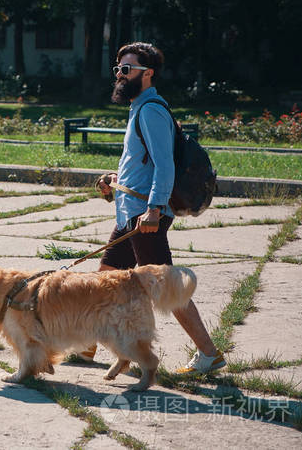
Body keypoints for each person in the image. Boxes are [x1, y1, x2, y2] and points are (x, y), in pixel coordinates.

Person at [78, 42, 226, 374]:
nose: (120, 75)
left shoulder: (151, 110)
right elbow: (144, 164)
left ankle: (209, 354)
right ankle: (87, 345)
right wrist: (115, 179)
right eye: (118, 69)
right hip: (132, 211)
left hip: (145, 217)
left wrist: (155, 209)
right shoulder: (139, 108)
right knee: (105, 278)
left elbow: (164, 167)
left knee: (167, 287)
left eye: (126, 69)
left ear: (148, 74)